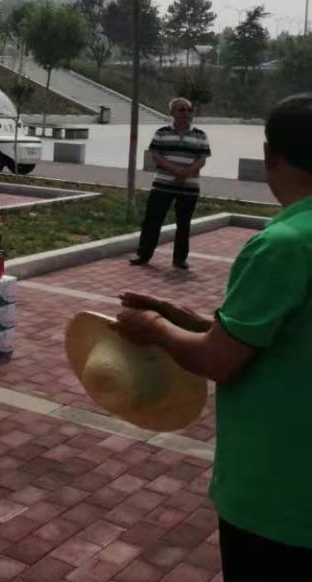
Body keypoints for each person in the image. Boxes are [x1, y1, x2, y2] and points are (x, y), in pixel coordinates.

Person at [116, 94, 312, 578]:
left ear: (269, 156)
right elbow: (267, 337)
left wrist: (154, 329)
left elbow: (218, 360)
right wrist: (176, 314)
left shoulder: (283, 246)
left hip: (280, 494)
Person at [130, 97, 211, 268]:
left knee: (183, 224)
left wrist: (186, 173)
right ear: (172, 113)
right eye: (181, 110)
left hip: (189, 187)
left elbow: (202, 159)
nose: (186, 113)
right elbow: (156, 155)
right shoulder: (162, 132)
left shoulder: (200, 135)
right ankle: (143, 255)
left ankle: (180, 259)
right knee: (153, 220)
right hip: (162, 185)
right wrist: (175, 170)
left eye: (189, 110)